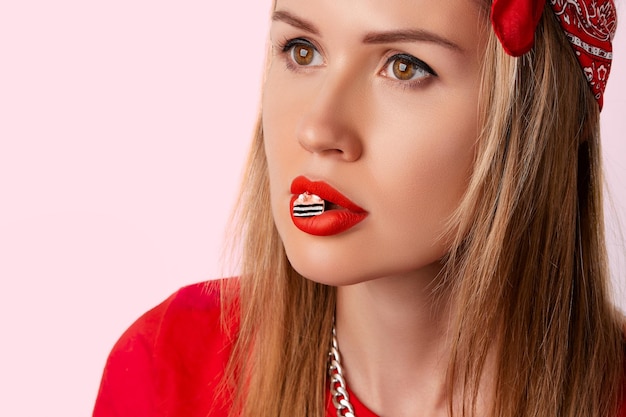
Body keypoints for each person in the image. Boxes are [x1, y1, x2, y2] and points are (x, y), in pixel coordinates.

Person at [93, 0, 624, 416]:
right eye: (302, 50)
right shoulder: (171, 368)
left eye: (404, 66)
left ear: (545, 116)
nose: (318, 129)